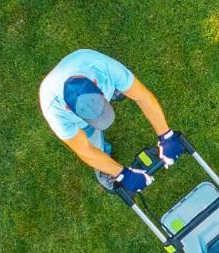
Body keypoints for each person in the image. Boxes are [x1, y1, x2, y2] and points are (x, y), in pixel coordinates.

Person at [38, 48, 185, 192]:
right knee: (92, 141)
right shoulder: (53, 110)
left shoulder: (103, 67)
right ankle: (104, 169)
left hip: (99, 74)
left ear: (96, 82)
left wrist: (166, 136)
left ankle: (115, 88)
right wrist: (123, 175)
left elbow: (143, 97)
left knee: (122, 83)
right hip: (82, 122)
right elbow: (84, 150)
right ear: (67, 108)